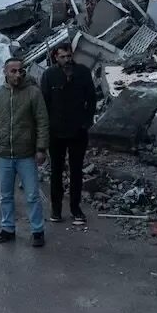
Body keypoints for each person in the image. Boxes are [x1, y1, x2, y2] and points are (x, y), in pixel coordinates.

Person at [0, 56, 49, 246]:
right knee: (5, 195)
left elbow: (42, 122)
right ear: (5, 72)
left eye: (21, 71)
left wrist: (41, 148)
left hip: (26, 153)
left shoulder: (33, 93)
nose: (18, 74)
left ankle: (37, 231)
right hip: (3, 154)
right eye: (14, 71)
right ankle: (8, 229)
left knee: (32, 195)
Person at [40, 41, 97, 226]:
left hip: (77, 131)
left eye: (69, 56)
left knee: (76, 171)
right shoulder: (49, 75)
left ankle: (75, 208)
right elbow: (45, 103)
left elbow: (92, 99)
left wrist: (86, 123)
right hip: (56, 132)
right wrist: (45, 128)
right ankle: (56, 209)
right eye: (63, 56)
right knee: (56, 171)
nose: (67, 60)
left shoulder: (82, 72)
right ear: (55, 57)